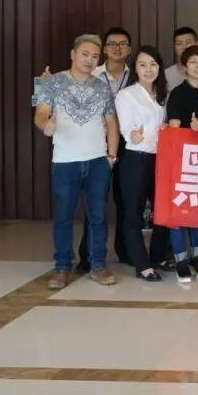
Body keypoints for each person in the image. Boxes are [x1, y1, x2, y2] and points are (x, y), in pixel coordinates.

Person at [34, 34, 118, 290]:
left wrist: (112, 156)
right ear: (73, 54)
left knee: (98, 217)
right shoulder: (54, 83)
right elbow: (41, 113)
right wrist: (45, 126)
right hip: (65, 161)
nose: (89, 60)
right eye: (85, 54)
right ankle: (62, 267)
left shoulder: (102, 86)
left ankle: (98, 265)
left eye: (95, 56)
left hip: (97, 161)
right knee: (63, 217)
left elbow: (112, 122)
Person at [115, 45, 169, 283]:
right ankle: (142, 264)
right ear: (135, 68)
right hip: (136, 158)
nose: (149, 69)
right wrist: (134, 135)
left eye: (153, 64)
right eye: (143, 65)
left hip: (161, 159)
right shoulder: (127, 95)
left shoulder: (162, 93)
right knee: (133, 214)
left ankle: (157, 257)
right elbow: (127, 128)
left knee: (163, 212)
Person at [82, 27, 131, 270]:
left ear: (129, 49)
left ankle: (125, 250)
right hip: (96, 143)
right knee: (95, 201)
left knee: (126, 200)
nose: (117, 48)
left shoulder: (137, 75)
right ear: (104, 49)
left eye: (122, 44)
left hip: (129, 144)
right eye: (112, 44)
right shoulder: (91, 74)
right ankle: (87, 255)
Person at [165, 44, 198, 283]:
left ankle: (197, 256)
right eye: (193, 62)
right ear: (184, 67)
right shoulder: (178, 93)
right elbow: (174, 128)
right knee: (180, 210)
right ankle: (181, 259)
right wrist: (191, 129)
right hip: (182, 160)